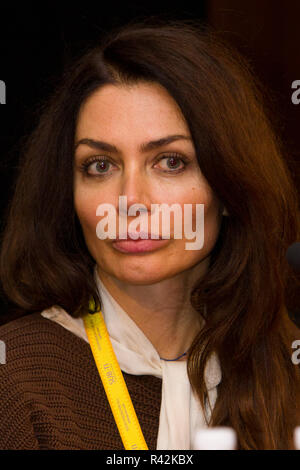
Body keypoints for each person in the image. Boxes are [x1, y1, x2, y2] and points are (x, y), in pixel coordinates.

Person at [0, 17, 299, 450]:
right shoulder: (15, 377)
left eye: (170, 162)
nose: (130, 200)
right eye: (100, 165)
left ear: (231, 187)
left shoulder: (284, 362)